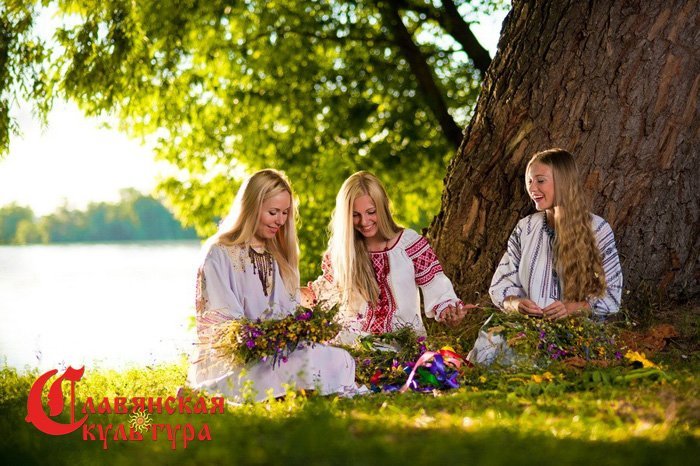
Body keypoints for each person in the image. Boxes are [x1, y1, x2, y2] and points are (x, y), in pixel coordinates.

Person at [187, 169, 356, 402]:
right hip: (239, 358)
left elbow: (288, 312)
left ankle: (291, 386)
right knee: (298, 363)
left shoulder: (279, 255)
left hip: (278, 352)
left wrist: (302, 330)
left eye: (285, 213)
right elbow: (222, 323)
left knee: (339, 358)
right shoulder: (219, 252)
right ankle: (211, 390)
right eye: (273, 212)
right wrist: (262, 339)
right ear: (251, 207)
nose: (280, 220)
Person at [469, 148, 623, 364]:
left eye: (540, 181)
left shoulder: (597, 229)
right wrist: (516, 304)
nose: (532, 188)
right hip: (529, 329)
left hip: (577, 331)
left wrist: (571, 308)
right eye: (529, 181)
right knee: (493, 341)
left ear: (564, 182)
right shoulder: (525, 228)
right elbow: (501, 284)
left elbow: (612, 295)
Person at [304, 171, 475, 346]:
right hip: (353, 344)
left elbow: (437, 288)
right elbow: (323, 294)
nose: (364, 221)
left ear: (383, 207)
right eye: (355, 215)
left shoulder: (409, 244)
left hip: (403, 345)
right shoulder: (342, 252)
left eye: (371, 212)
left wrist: (449, 311)